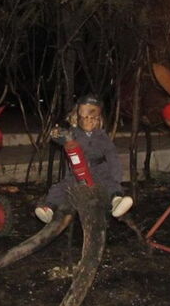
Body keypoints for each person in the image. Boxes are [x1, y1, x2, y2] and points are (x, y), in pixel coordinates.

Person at [34, 94, 133, 222]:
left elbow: (112, 155)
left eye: (93, 118)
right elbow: (61, 139)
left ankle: (117, 201)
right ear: (78, 117)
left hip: (99, 170)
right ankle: (49, 208)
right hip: (77, 172)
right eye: (85, 117)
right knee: (60, 187)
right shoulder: (73, 134)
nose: (89, 121)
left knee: (110, 183)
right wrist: (57, 134)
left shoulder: (102, 136)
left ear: (98, 119)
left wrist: (116, 176)